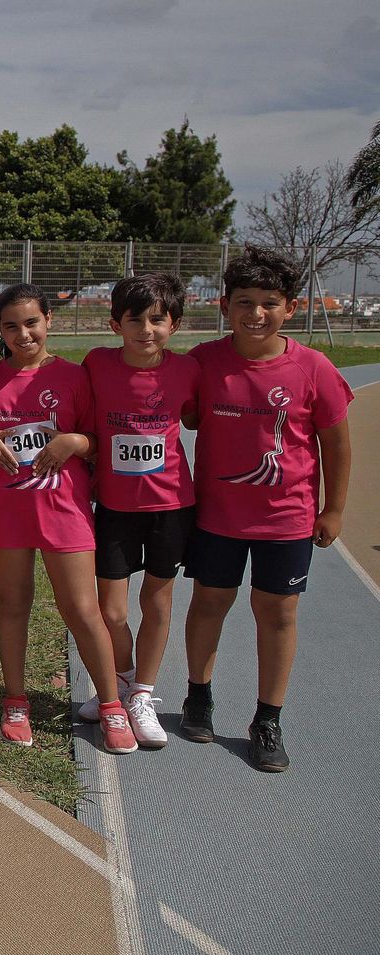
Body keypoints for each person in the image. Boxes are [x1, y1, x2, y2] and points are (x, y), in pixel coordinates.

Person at [182, 246, 353, 772]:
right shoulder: (204, 362)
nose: (256, 314)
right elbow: (182, 418)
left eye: (269, 303)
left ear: (291, 308)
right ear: (225, 306)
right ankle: (199, 697)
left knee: (277, 614)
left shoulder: (313, 368)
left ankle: (267, 718)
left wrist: (333, 510)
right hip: (217, 515)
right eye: (244, 302)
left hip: (288, 518)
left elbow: (337, 444)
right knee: (210, 603)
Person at [0, 284, 136, 754]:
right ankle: (16, 700)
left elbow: (99, 441)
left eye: (31, 322)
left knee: (83, 610)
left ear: (48, 321)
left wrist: (75, 443)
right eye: (11, 325)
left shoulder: (74, 376)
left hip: (64, 510)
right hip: (9, 509)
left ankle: (110, 705)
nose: (23, 334)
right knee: (12, 604)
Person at [77, 274, 199, 750]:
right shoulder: (96, 364)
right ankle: (122, 681)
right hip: (114, 506)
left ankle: (143, 694)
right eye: (135, 319)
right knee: (110, 609)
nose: (146, 328)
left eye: (157, 319)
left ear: (175, 324)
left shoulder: (188, 371)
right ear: (115, 324)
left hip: (170, 505)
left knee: (157, 602)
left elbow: (193, 417)